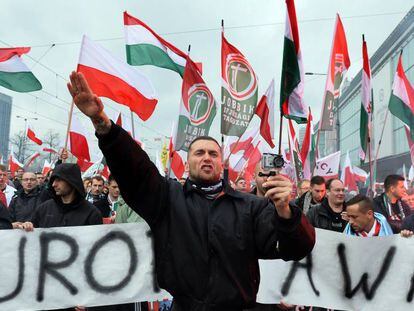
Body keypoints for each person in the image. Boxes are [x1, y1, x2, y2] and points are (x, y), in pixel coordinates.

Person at [67, 71, 315, 311]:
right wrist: (102, 122)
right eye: (199, 153)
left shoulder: (251, 206)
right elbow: (135, 169)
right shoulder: (167, 198)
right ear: (187, 163)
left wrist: (285, 211)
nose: (206, 158)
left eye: (213, 154)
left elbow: (296, 249)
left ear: (222, 163)